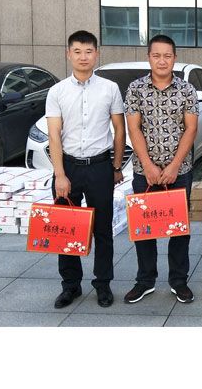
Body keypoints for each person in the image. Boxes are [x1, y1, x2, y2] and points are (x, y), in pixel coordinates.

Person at [45, 30, 126, 309]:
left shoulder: (109, 88)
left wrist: (117, 166)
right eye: (77, 51)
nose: (83, 57)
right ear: (68, 54)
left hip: (100, 166)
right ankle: (70, 285)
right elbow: (54, 135)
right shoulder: (57, 91)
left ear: (96, 54)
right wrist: (60, 174)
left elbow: (119, 130)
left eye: (88, 51)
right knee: (65, 230)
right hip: (68, 167)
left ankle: (103, 284)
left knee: (102, 230)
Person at [123, 34, 198, 305]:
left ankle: (179, 281)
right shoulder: (135, 89)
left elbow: (191, 128)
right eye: (157, 55)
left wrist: (175, 165)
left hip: (180, 171)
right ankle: (145, 281)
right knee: (145, 228)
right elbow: (134, 128)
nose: (162, 61)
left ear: (174, 58)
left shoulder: (186, 90)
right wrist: (148, 165)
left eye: (167, 55)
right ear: (149, 57)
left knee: (179, 228)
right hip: (145, 172)